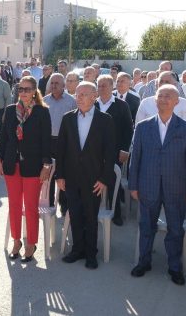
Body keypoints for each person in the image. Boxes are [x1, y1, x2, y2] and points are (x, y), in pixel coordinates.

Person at [128, 84, 186, 285]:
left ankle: (174, 267)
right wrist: (133, 185)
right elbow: (136, 157)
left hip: (176, 187)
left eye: (169, 96)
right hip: (148, 185)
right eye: (160, 96)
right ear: (154, 100)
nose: (164, 99)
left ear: (177, 102)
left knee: (176, 228)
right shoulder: (143, 127)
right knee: (146, 226)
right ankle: (144, 262)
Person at [56, 82, 116, 269]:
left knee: (90, 216)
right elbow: (61, 150)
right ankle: (77, 249)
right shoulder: (67, 119)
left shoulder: (105, 120)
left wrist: (104, 179)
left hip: (93, 179)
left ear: (94, 96)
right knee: (75, 214)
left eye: (84, 94)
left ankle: (91, 253)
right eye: (77, 94)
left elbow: (110, 152)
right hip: (71, 177)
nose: (79, 97)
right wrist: (60, 175)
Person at [0, 76, 52, 262]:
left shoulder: (42, 112)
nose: (23, 93)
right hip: (11, 164)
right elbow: (3, 137)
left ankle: (31, 243)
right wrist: (0, 158)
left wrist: (46, 165)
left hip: (33, 166)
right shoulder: (11, 110)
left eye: (27, 89)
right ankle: (16, 241)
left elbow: (47, 141)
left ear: (35, 91)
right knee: (13, 204)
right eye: (20, 89)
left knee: (30, 206)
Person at [95, 75, 133, 226]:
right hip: (94, 152)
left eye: (105, 85)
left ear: (112, 87)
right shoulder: (92, 104)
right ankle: (95, 210)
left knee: (112, 182)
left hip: (115, 151)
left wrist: (125, 149)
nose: (102, 88)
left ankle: (116, 213)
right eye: (99, 85)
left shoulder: (122, 105)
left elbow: (129, 130)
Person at [43, 73, 76, 211]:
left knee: (63, 173)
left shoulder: (71, 101)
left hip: (65, 142)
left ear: (64, 85)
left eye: (57, 83)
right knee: (48, 172)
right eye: (52, 83)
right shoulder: (44, 101)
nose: (54, 85)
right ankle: (49, 203)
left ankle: (64, 204)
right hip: (48, 141)